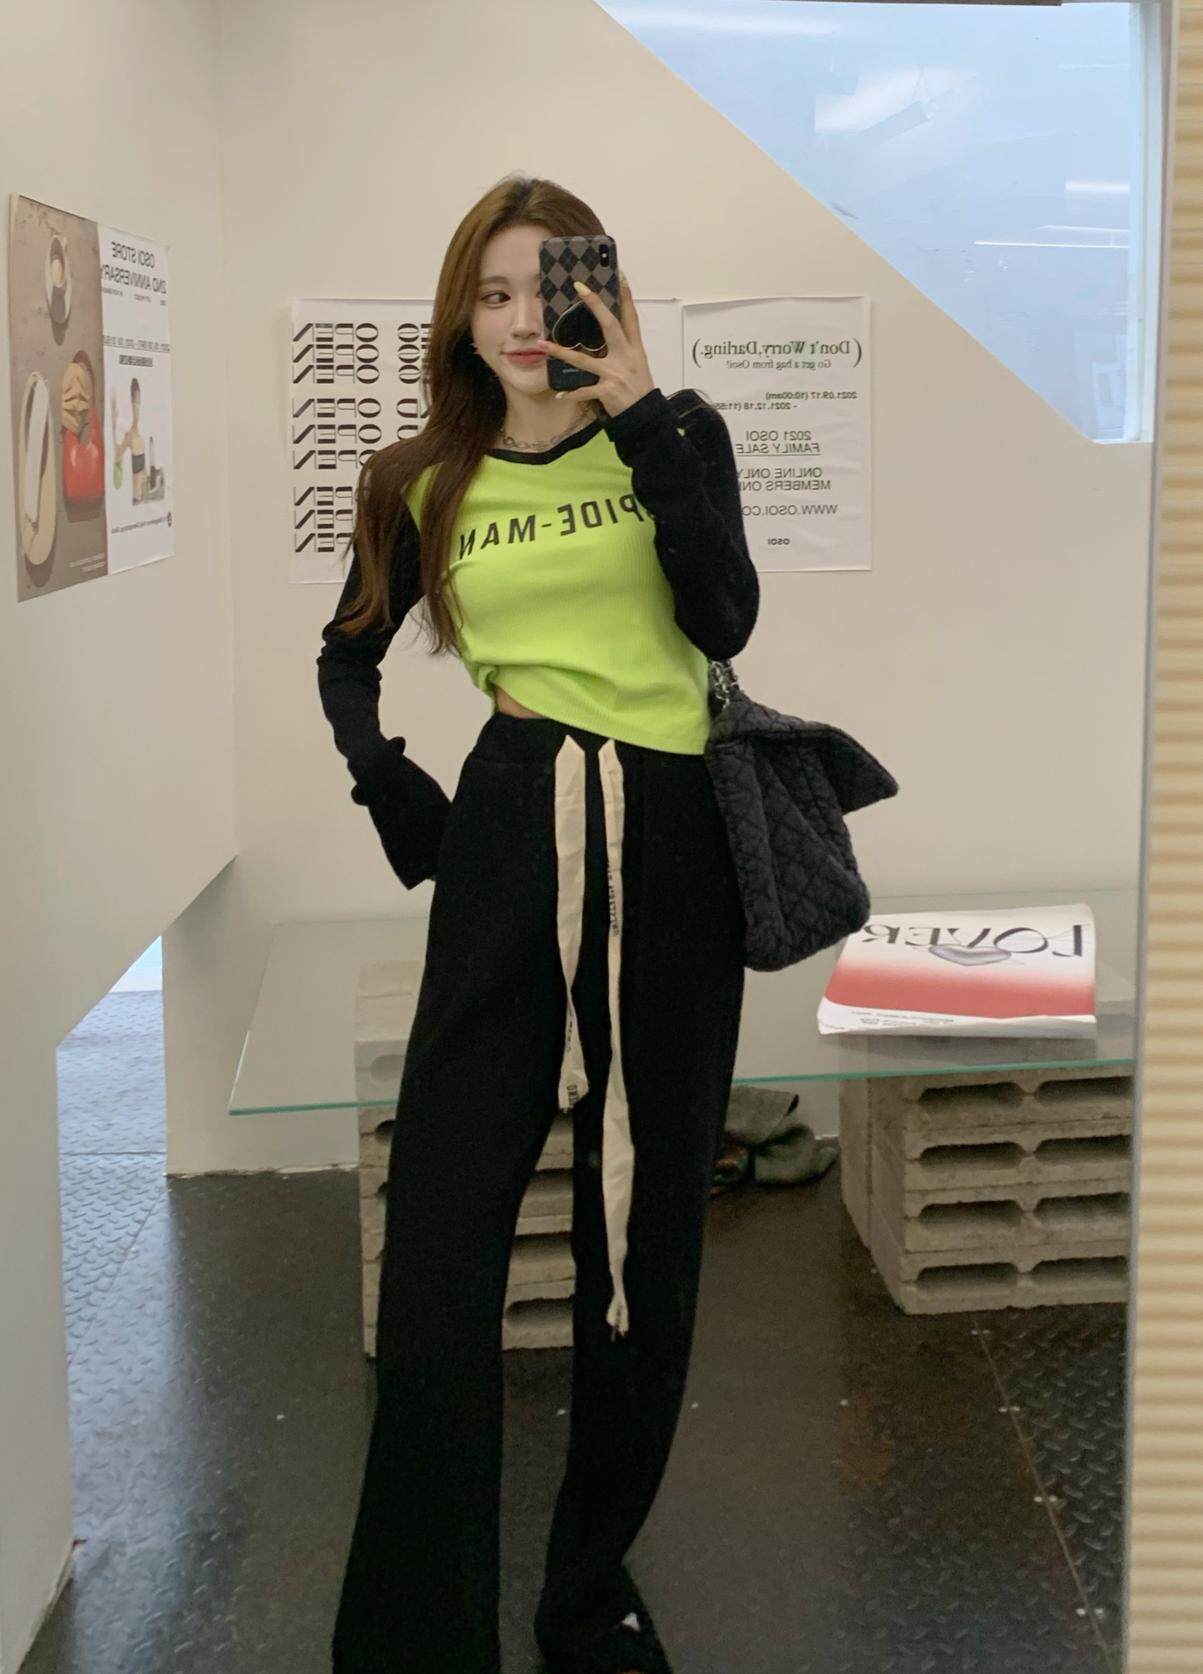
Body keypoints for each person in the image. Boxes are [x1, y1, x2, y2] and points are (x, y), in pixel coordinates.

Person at [316, 173, 759, 1674]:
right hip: (510, 832)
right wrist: (396, 788)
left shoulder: (678, 438)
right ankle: (416, 1635)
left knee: (641, 1241)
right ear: (460, 314)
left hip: (671, 843)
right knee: (440, 1249)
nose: (521, 321)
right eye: (492, 293)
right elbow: (347, 658)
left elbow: (724, 617)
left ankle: (587, 1599)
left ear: (600, 295)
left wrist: (640, 412)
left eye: (548, 289)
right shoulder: (419, 479)